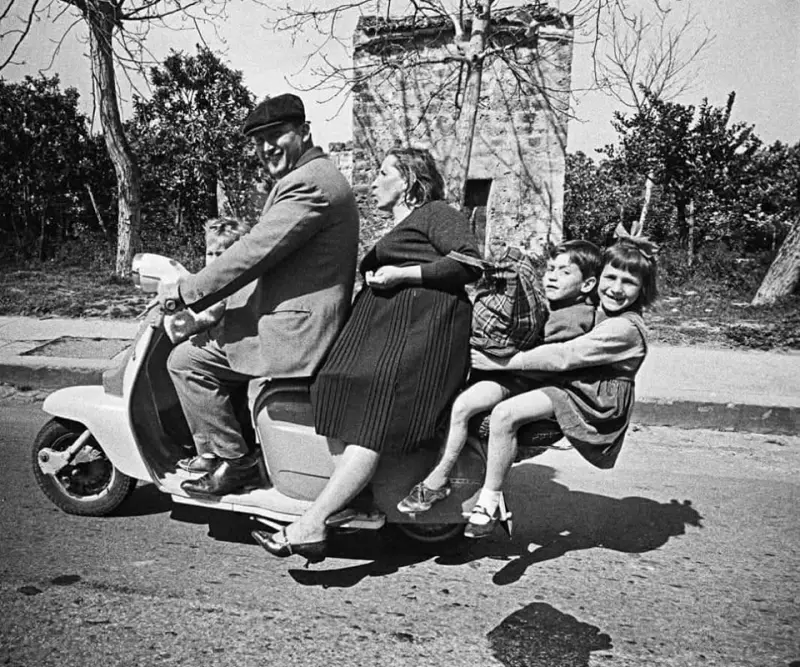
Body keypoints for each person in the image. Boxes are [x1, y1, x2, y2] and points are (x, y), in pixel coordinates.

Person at [251, 147, 482, 563]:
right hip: (385, 331)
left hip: (420, 334)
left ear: (410, 181)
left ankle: (312, 522)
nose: (371, 182)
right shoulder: (404, 224)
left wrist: (403, 274)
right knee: (332, 385)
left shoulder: (437, 212)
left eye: (382, 173)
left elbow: (469, 263)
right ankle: (350, 498)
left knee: (373, 411)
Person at [158, 93, 359, 497]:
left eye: (278, 135)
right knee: (205, 347)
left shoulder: (310, 184)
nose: (267, 148)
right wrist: (218, 308)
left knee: (186, 360)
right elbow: (269, 256)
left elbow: (252, 254)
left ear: (303, 131)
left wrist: (185, 291)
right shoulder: (310, 178)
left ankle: (237, 462)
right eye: (259, 140)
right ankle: (218, 452)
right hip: (293, 318)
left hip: (296, 333)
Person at [465, 236, 658, 538]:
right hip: (575, 386)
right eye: (610, 277)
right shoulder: (602, 309)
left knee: (505, 413)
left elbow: (564, 355)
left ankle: (488, 502)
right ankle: (492, 475)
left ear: (643, 290)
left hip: (593, 400)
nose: (616, 289)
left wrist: (502, 363)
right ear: (596, 281)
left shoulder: (625, 328)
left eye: (628, 282)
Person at [397, 240, 602, 514]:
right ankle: (441, 472)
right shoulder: (543, 302)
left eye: (565, 272)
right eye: (550, 269)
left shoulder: (576, 317)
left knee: (476, 410)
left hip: (532, 386)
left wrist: (498, 361)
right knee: (460, 403)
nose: (552, 276)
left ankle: (453, 483)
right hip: (514, 378)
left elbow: (551, 363)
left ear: (587, 285)